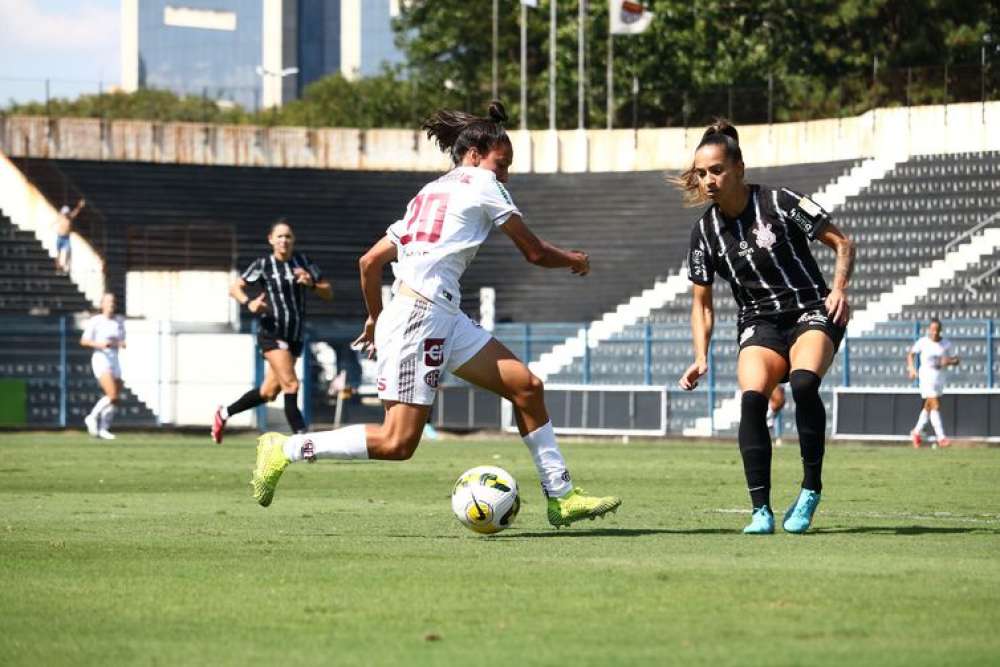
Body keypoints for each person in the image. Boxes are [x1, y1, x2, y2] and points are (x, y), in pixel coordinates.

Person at [249, 101, 621, 528]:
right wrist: (575, 259)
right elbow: (534, 252)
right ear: (477, 154)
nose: (506, 174)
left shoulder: (428, 192)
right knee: (397, 442)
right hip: (421, 316)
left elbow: (369, 263)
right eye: (504, 162)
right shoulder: (484, 183)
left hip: (432, 312)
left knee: (527, 387)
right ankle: (284, 449)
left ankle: (562, 496)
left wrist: (375, 318)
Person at [677, 120, 856, 535]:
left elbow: (842, 243)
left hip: (810, 309)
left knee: (803, 383)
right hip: (758, 321)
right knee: (753, 399)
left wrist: (840, 289)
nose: (709, 181)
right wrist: (700, 356)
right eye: (702, 173)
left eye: (717, 170)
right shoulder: (704, 232)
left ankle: (811, 488)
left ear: (739, 167)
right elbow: (701, 304)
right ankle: (761, 510)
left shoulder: (781, 201)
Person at [212, 220, 332, 443]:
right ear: (271, 240)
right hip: (272, 332)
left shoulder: (303, 262)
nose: (284, 240)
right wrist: (249, 303)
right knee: (292, 384)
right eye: (279, 236)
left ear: (293, 240)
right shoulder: (263, 265)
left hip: (294, 334)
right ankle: (303, 441)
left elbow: (328, 292)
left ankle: (223, 413)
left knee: (269, 392)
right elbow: (235, 288)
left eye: (288, 236)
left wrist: (312, 284)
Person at [906, 318, 959, 448]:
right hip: (925, 377)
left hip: (939, 378)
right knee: (934, 404)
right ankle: (941, 437)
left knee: (928, 406)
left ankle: (916, 432)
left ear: (940, 330)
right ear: (929, 330)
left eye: (937, 329)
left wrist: (950, 362)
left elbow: (957, 359)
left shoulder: (946, 344)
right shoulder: (923, 342)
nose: (934, 332)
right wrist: (912, 368)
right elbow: (910, 354)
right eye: (932, 329)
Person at [80, 292, 126, 440]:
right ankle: (92, 417)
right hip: (101, 358)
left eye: (113, 302)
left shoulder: (119, 321)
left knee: (115, 397)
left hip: (114, 359)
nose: (111, 304)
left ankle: (103, 428)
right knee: (111, 394)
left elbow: (121, 339)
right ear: (102, 304)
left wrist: (120, 343)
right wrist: (100, 344)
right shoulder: (96, 321)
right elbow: (84, 341)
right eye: (108, 301)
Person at [54, 198, 85, 275]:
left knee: (68, 251)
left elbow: (75, 212)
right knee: (58, 253)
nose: (66, 214)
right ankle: (58, 269)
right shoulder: (60, 216)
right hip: (60, 237)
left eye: (67, 213)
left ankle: (65, 267)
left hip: (66, 238)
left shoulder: (69, 217)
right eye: (65, 213)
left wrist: (79, 206)